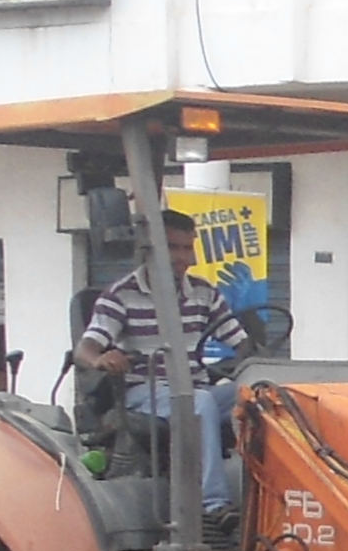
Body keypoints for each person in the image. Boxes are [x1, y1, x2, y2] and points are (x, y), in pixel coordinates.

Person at [76, 209, 239, 519]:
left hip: (195, 385)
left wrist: (253, 359)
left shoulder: (205, 293)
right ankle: (213, 503)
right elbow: (84, 349)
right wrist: (101, 358)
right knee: (198, 402)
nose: (183, 257)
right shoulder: (121, 296)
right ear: (149, 249)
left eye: (187, 247)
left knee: (259, 397)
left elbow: (240, 341)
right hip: (143, 390)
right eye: (172, 248)